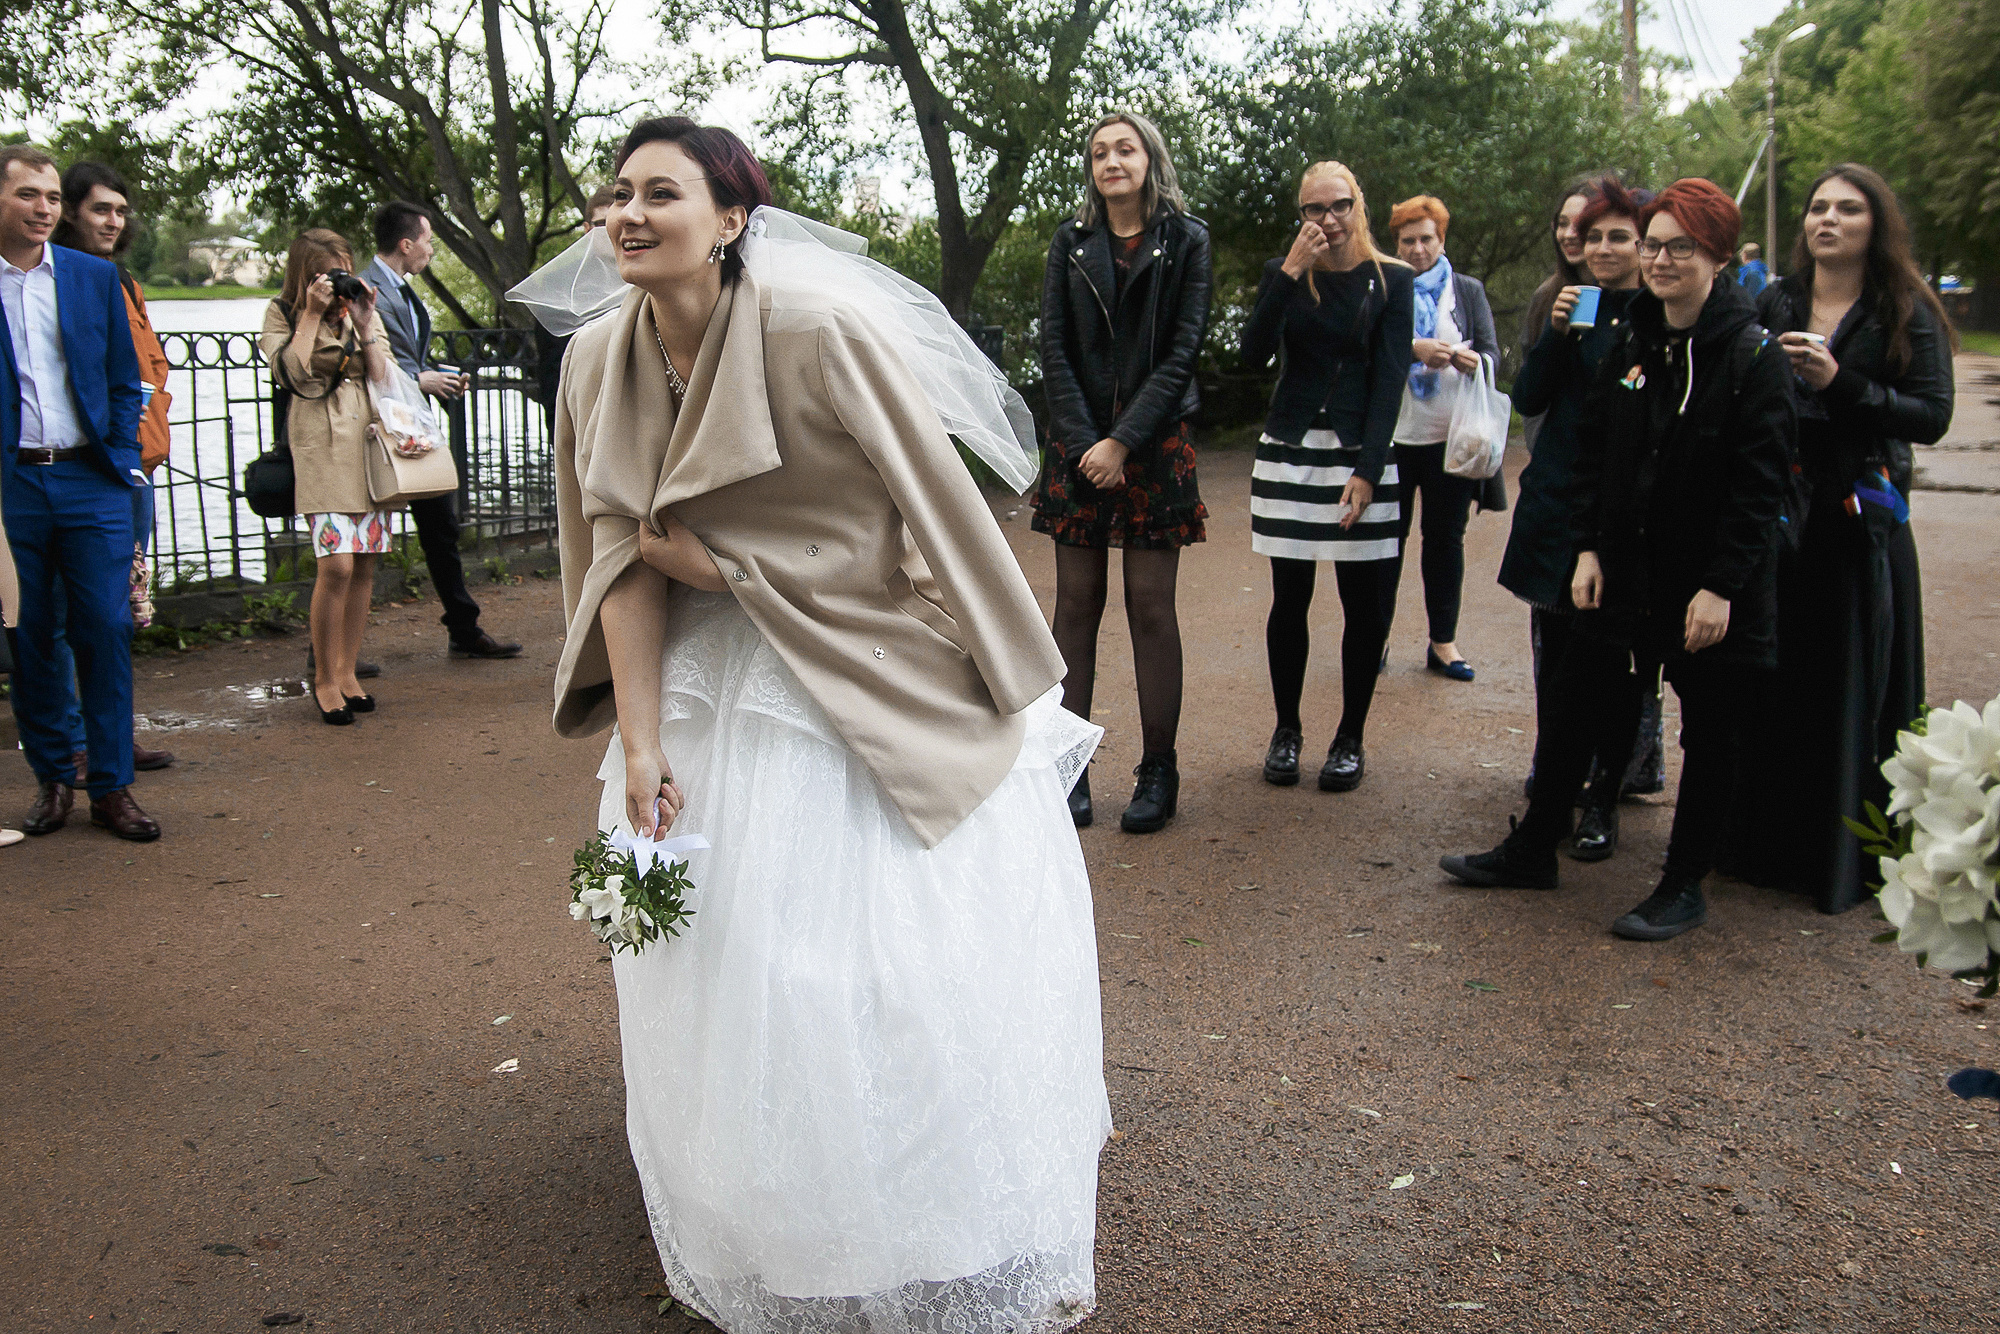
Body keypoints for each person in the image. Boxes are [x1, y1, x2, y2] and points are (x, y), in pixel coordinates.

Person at [548, 116, 1108, 1332]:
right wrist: (640, 740)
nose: (626, 215)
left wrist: (1012, 680)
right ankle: (764, 1211)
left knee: (869, 961)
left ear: (732, 219)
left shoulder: (819, 329)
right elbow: (614, 556)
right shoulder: (595, 358)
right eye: (614, 195)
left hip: (855, 654)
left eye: (660, 193)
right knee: (731, 964)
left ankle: (930, 1205)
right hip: (700, 688)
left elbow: (933, 505)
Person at [1441, 178, 1794, 942]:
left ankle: (1682, 882)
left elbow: (1760, 486)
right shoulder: (1635, 337)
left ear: (1718, 256)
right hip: (1624, 568)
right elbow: (1598, 452)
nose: (1662, 260)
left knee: (1711, 728)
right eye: (1656, 244)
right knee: (1573, 700)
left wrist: (1720, 587)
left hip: (1710, 585)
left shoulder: (1751, 353)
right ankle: (1535, 847)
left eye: (1679, 247)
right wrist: (1592, 548)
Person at [1729, 163, 1956, 913]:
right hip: (1782, 513)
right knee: (1776, 679)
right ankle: (1765, 847)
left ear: (1875, 225)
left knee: (1848, 681)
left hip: (1859, 519)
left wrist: (1840, 384)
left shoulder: (1905, 309)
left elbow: (1930, 415)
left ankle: (1843, 861)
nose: (1828, 220)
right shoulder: (1780, 297)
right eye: (1819, 208)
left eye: (1848, 210)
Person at [1034, 111, 1211, 833]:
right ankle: (1068, 769)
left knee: (1149, 608)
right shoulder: (1069, 244)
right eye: (1100, 151)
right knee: (1075, 608)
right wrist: (1085, 444)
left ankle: (1157, 771)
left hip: (1155, 446)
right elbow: (1054, 347)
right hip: (1078, 448)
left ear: (1148, 159)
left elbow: (1182, 352)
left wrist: (1123, 442)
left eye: (1125, 148)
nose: (1112, 159)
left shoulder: (1187, 241)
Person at [0, 143, 160, 840]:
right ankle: (53, 774)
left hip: (90, 479)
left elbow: (127, 379)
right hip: (13, 485)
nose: (44, 209)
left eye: (52, 197)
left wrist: (121, 457)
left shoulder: (94, 278)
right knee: (30, 635)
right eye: (28, 195)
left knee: (106, 626)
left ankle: (112, 785)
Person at [1241, 160, 1414, 793]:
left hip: (1360, 453)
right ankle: (1287, 730)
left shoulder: (1392, 280)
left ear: (1358, 205)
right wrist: (1287, 271)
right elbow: (1248, 355)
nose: (1327, 221)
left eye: (1338, 206)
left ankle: (1350, 737)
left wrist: (1369, 470)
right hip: (1290, 450)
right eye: (1313, 210)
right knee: (1290, 600)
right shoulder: (1290, 275)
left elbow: (1391, 377)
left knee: (1361, 604)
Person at [1503, 174, 1659, 863]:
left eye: (1616, 236)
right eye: (1590, 236)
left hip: (1621, 518)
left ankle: (1605, 795)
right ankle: (1555, 789)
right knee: (1556, 656)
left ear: (1643, 243)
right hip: (1556, 505)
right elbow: (1530, 397)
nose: (1599, 247)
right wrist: (1560, 335)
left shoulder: (1658, 313)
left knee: (1620, 668)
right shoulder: (1571, 305)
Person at [50, 160, 176, 772]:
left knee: (117, 609)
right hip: (76, 465)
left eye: (121, 211)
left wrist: (133, 453)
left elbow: (141, 371)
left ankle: (111, 741)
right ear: (71, 212)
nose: (112, 220)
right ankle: (70, 743)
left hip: (131, 466)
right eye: (101, 208)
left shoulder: (118, 279)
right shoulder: (51, 278)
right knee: (60, 613)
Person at [362, 201, 521, 661]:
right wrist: (421, 380)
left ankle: (463, 628)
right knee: (359, 539)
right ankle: (329, 651)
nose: (430, 249)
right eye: (428, 240)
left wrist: (434, 375)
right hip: (382, 431)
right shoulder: (368, 290)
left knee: (440, 526)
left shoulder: (397, 288)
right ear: (406, 243)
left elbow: (402, 357)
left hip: (410, 427)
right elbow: (369, 364)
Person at [260, 229, 393, 725]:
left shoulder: (358, 311)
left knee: (362, 565)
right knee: (334, 564)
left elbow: (380, 374)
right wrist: (313, 314)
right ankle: (322, 677)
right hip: (318, 444)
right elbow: (290, 373)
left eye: (342, 269)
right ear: (305, 274)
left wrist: (363, 323)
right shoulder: (282, 313)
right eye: (326, 272)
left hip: (362, 442)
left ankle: (346, 670)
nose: (336, 281)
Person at [1385, 194, 1497, 682]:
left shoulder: (1466, 291)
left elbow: (1492, 350)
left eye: (1425, 239)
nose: (1416, 249)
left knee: (1446, 541)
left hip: (1452, 440)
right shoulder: (1385, 288)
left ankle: (1443, 642)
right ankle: (1376, 639)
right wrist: (1413, 348)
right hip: (1392, 437)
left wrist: (1476, 362)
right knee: (1385, 543)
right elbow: (1368, 350)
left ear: (1441, 239)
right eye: (1407, 240)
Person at [535, 184, 615, 437]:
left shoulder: (651, 278)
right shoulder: (558, 287)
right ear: (587, 229)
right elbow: (553, 374)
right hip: (585, 424)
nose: (610, 231)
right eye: (602, 224)